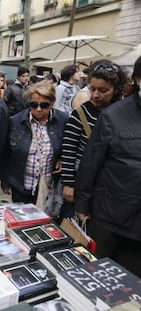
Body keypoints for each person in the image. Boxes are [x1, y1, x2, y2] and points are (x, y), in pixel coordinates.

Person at [74, 56, 141, 277]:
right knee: (96, 274)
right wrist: (82, 205)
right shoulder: (114, 116)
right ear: (138, 80)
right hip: (109, 217)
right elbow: (90, 162)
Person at [60, 62, 126, 219]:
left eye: (103, 90)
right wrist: (69, 184)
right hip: (81, 182)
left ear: (116, 90)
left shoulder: (124, 114)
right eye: (92, 88)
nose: (96, 94)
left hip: (111, 187)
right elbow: (69, 149)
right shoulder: (81, 113)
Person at [3, 82, 68, 204]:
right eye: (33, 105)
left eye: (44, 105)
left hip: (48, 187)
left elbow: (68, 145)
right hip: (21, 185)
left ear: (52, 104)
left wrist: (62, 158)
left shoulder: (63, 120)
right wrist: (5, 181)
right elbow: (6, 154)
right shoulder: (15, 121)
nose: (38, 109)